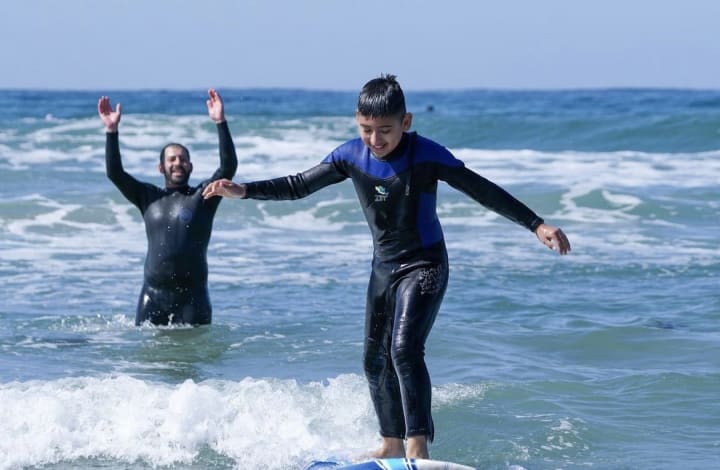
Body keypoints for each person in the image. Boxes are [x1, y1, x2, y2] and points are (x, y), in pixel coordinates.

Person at [202, 75, 571, 458]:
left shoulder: (426, 156)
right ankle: (391, 443)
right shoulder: (350, 156)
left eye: (385, 131)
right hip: (384, 267)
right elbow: (298, 185)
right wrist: (244, 189)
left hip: (425, 264)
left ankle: (417, 446)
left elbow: (481, 188)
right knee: (373, 358)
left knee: (405, 350)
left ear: (406, 123)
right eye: (366, 130)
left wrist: (536, 224)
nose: (375, 140)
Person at [98, 89, 238, 326]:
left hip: (193, 298)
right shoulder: (147, 197)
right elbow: (115, 173)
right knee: (150, 361)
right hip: (152, 296)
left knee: (192, 360)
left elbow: (228, 166)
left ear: (191, 167)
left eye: (183, 159)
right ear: (161, 168)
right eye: (172, 159)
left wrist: (220, 122)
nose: (178, 163)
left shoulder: (204, 196)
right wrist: (111, 131)